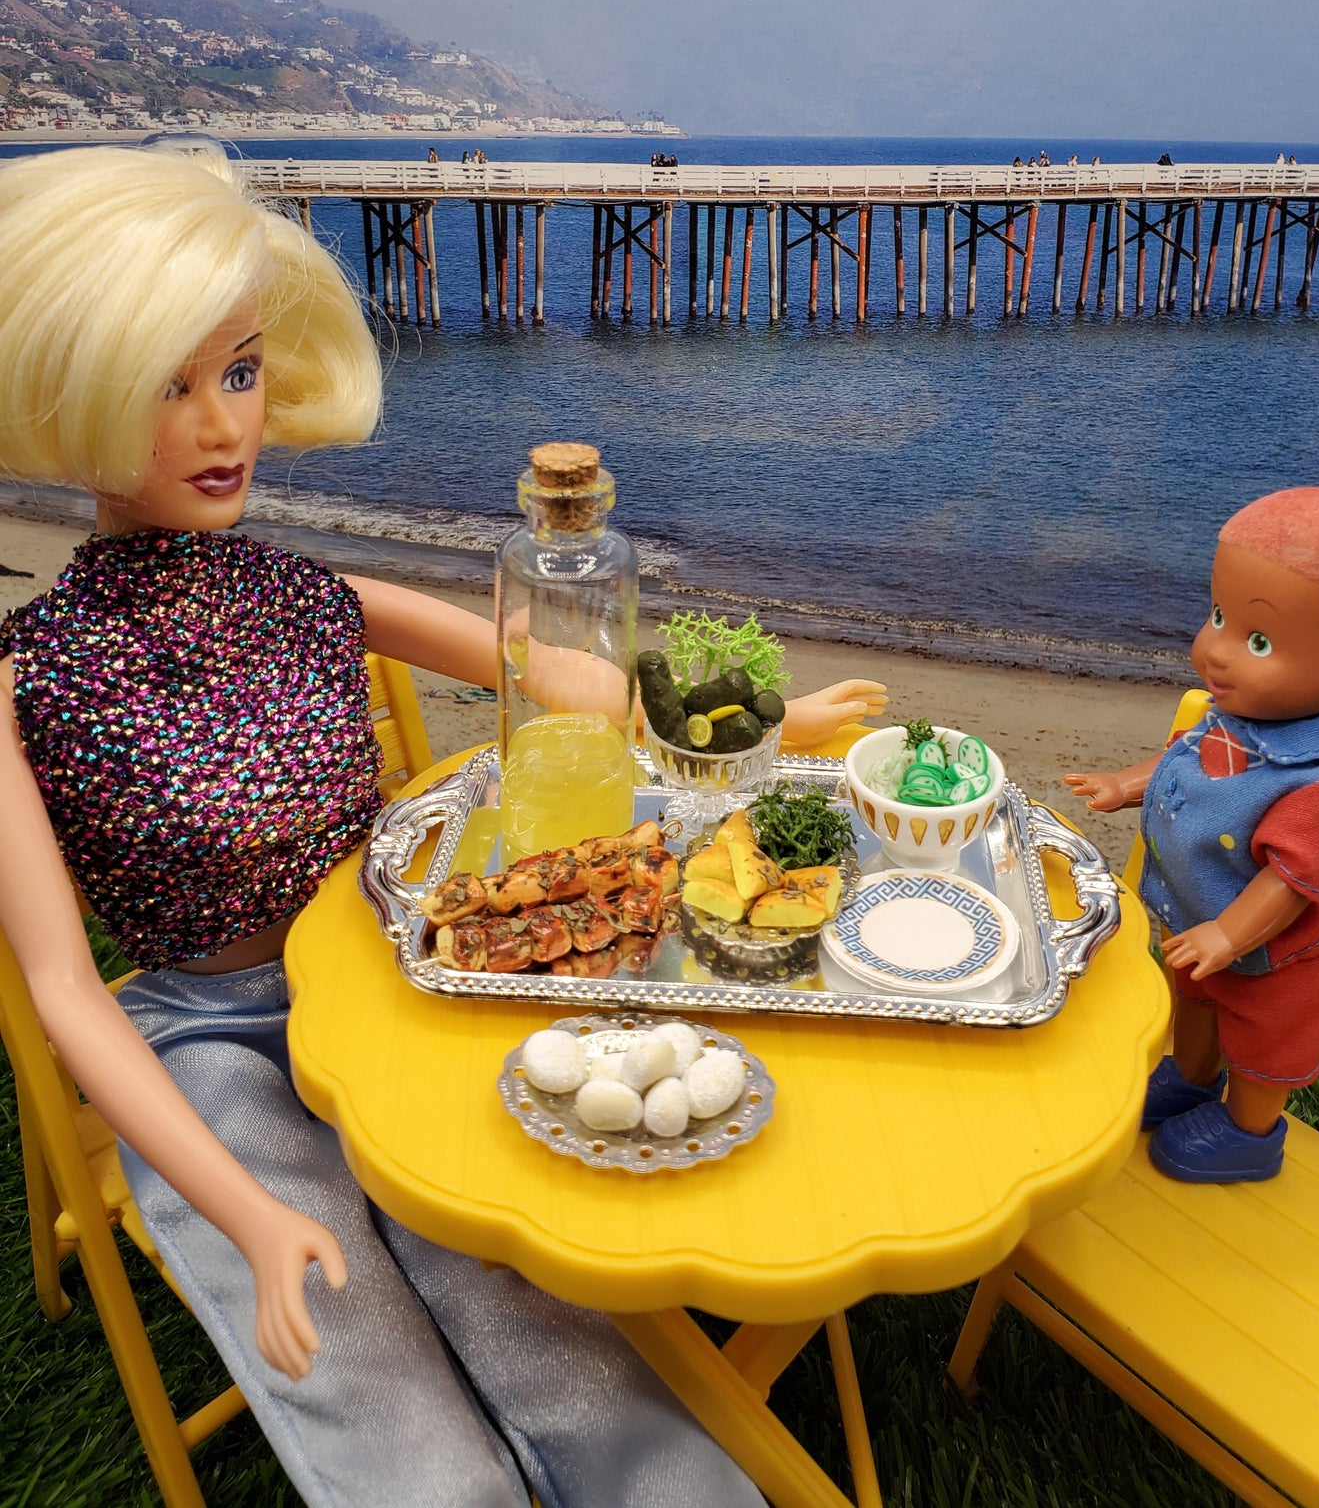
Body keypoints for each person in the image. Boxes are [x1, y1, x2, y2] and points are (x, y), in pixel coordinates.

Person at [0, 147, 885, 1506]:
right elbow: (65, 989)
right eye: (165, 385)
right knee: (383, 1406)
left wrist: (757, 720)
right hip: (210, 1029)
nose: (221, 424)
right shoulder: (32, 676)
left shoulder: (308, 594)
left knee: (538, 1309)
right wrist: (247, 1212)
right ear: (72, 395)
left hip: (389, 966)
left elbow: (553, 675)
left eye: (239, 370)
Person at [1064, 488, 1319, 1185]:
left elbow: (1289, 882)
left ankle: (1250, 1131)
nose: (1216, 651)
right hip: (1193, 919)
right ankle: (1192, 1077)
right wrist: (1123, 784)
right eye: (1218, 616)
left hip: (1271, 958)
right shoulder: (1226, 719)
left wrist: (1229, 937)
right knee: (1195, 1004)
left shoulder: (1318, 786)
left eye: (1257, 641)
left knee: (1266, 1041)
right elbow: (1180, 760)